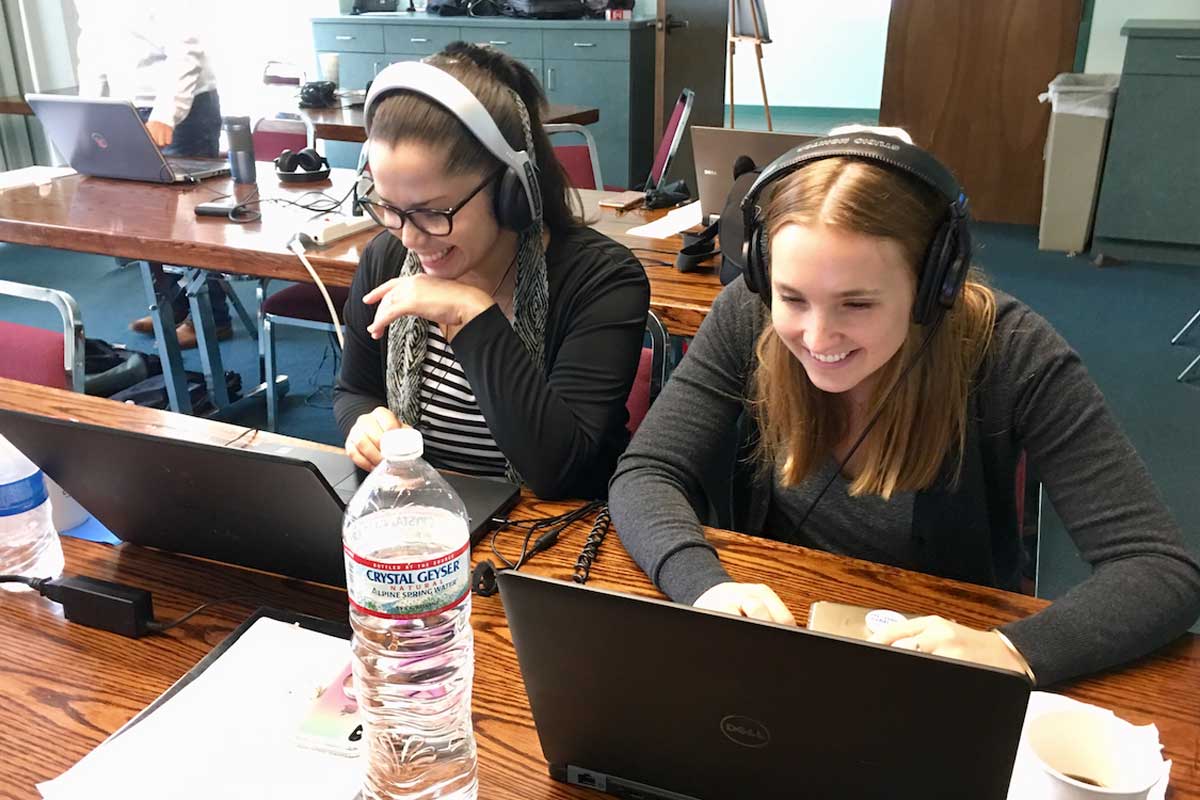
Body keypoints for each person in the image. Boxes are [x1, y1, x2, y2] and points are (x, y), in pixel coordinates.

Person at [609, 128, 1200, 687]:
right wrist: (704, 586)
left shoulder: (1014, 352)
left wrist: (1013, 648)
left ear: (934, 285)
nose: (817, 337)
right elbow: (647, 471)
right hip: (781, 638)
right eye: (793, 298)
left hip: (935, 657)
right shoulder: (750, 312)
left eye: (857, 304)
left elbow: (1158, 568)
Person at [333, 43, 650, 500]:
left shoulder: (602, 282)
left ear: (511, 191)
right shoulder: (386, 258)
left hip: (553, 532)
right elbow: (354, 390)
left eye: (432, 212)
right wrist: (364, 422)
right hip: (426, 518)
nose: (410, 238)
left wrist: (471, 316)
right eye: (389, 208)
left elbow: (557, 470)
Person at [73, 0, 231, 348]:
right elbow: (92, 45)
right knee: (147, 220)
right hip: (126, 106)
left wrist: (165, 114)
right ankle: (173, 308)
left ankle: (211, 318)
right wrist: (89, 110)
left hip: (183, 110)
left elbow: (186, 48)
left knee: (190, 224)